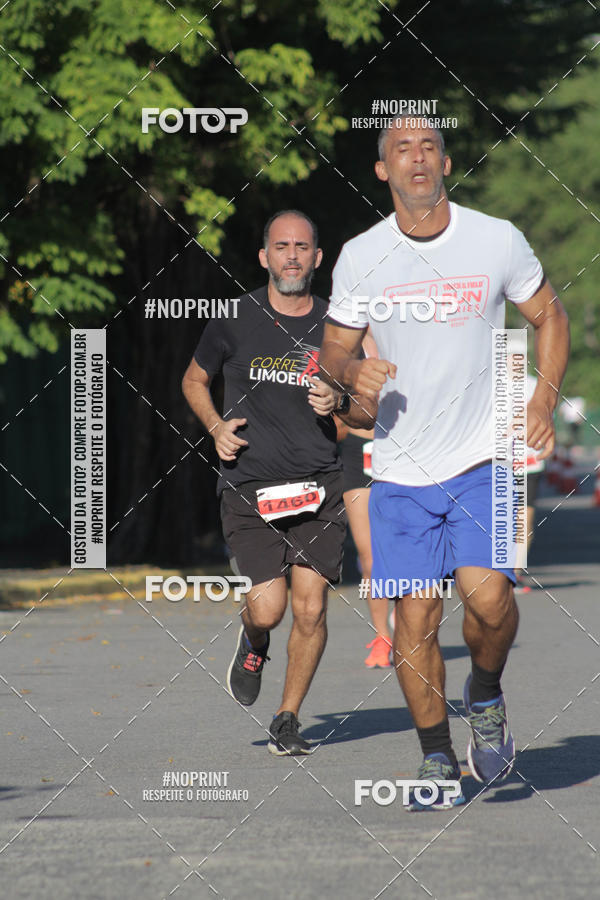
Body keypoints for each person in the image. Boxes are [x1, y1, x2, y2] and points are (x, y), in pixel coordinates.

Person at [319, 117, 569, 808]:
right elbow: (333, 350)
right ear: (383, 170)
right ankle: (436, 755)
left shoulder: (495, 239)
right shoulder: (362, 255)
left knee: (490, 600)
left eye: (429, 146)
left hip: (487, 458)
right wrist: (353, 372)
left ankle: (484, 696)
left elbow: (550, 315)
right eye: (402, 149)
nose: (417, 158)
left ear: (447, 162)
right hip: (399, 472)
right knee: (415, 620)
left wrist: (543, 399)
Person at [182, 210, 375, 757]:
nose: (292, 256)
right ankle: (254, 637)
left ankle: (287, 718)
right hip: (250, 485)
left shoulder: (339, 329)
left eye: (303, 247)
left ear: (318, 258)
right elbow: (194, 380)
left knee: (311, 608)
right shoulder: (233, 318)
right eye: (282, 246)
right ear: (264, 256)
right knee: (269, 608)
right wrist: (215, 427)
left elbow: (367, 413)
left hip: (319, 485)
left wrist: (340, 400)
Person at [336, 331, 393, 667]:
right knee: (369, 556)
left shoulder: (407, 327)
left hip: (404, 447)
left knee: (405, 548)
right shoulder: (344, 336)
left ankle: (410, 624)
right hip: (361, 449)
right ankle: (382, 635)